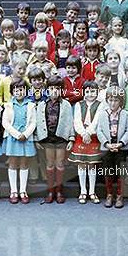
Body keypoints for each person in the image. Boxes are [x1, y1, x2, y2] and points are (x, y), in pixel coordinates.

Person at [34, 76, 75, 204]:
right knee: (50, 164)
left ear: (61, 90)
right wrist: (37, 139)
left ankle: (59, 190)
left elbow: (70, 122)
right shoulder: (42, 104)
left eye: (57, 88)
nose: (54, 91)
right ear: (47, 90)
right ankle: (51, 190)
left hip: (61, 138)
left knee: (60, 164)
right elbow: (38, 123)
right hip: (48, 138)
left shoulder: (66, 104)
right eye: (51, 88)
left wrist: (71, 139)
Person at [2, 78, 37, 204]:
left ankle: (23, 191)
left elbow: (33, 122)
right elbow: (5, 122)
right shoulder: (8, 105)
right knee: (12, 163)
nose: (19, 92)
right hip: (13, 137)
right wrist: (17, 134)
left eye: (21, 90)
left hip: (26, 138)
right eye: (16, 90)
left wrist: (26, 134)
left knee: (24, 163)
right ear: (12, 92)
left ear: (26, 91)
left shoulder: (31, 105)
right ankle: (13, 191)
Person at [69, 80, 104, 204]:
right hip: (81, 136)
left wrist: (89, 132)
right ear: (84, 92)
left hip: (93, 137)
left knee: (92, 164)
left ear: (97, 92)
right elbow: (77, 121)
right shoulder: (79, 104)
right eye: (87, 91)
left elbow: (97, 120)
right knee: (82, 164)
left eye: (93, 91)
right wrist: (83, 133)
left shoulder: (101, 104)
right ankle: (83, 191)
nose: (90, 94)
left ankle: (92, 192)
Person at [97, 85, 128, 208]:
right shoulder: (102, 114)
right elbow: (99, 131)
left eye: (116, 100)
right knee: (108, 171)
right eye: (110, 100)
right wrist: (106, 144)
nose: (113, 103)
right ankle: (109, 194)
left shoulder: (125, 114)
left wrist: (121, 143)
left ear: (121, 102)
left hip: (120, 147)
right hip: (107, 147)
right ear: (107, 100)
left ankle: (119, 195)